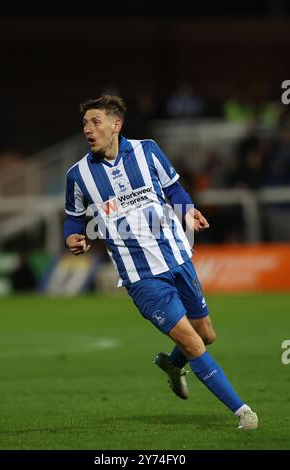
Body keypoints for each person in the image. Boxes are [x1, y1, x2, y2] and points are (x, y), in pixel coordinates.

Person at [63, 94, 258, 430]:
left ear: (116, 124)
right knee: (193, 342)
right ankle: (243, 412)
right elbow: (73, 219)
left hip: (178, 258)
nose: (88, 129)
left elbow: (175, 190)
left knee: (206, 334)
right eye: (85, 124)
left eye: (95, 122)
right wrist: (72, 237)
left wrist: (188, 210)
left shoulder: (148, 150)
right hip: (141, 278)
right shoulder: (78, 175)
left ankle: (172, 366)